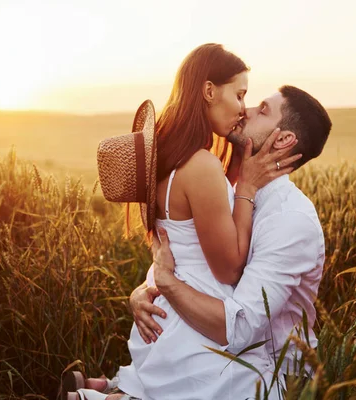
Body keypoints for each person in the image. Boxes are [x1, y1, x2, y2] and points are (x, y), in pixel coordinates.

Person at [64, 44, 300, 400]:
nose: (242, 109)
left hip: (172, 314)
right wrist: (247, 187)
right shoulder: (200, 165)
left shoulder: (167, 160)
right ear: (209, 91)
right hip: (194, 322)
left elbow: (178, 245)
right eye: (239, 94)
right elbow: (229, 270)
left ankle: (98, 393)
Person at [133, 85, 332, 398]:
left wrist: (167, 285)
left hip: (266, 374)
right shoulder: (227, 188)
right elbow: (189, 261)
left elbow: (239, 329)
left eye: (262, 110)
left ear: (282, 140)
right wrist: (145, 292)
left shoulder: (290, 220)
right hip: (216, 351)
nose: (246, 110)